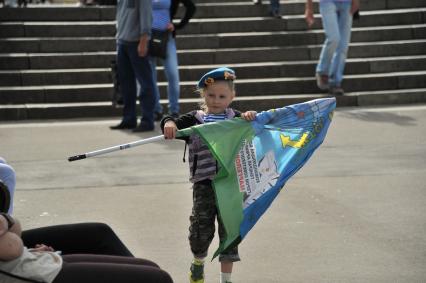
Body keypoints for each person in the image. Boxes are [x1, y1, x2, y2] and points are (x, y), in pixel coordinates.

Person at [160, 67, 257, 283]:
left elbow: (255, 127)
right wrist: (169, 124)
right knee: (200, 228)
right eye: (211, 95)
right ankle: (198, 262)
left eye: (222, 96)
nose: (216, 100)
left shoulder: (237, 120)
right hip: (204, 184)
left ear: (232, 97)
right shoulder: (196, 119)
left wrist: (250, 116)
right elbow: (171, 120)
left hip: (231, 185)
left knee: (230, 230)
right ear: (203, 95)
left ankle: (226, 279)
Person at [0, 214, 173, 283]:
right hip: (22, 270)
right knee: (157, 278)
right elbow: (12, 249)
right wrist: (5, 222)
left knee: (151, 269)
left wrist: (6, 220)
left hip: (25, 261)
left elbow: (15, 231)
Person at [110, 0, 156, 132]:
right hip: (122, 43)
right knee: (126, 84)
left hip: (136, 43)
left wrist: (143, 40)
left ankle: (147, 120)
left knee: (145, 83)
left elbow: (146, 15)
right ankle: (129, 118)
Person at [149, 0, 196, 121]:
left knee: (172, 73)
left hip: (166, 36)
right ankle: (155, 109)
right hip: (147, 36)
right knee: (150, 75)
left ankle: (174, 110)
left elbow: (191, 7)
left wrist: (178, 25)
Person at [305, 0, 360, 95]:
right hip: (327, 2)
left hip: (347, 3)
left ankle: (335, 82)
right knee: (334, 38)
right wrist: (309, 8)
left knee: (343, 45)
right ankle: (323, 71)